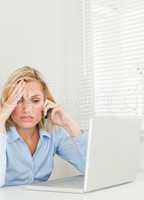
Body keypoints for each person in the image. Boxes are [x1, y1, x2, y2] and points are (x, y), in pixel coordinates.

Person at [0, 66, 87, 187]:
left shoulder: (53, 133)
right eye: (18, 100)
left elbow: (91, 168)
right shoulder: (3, 134)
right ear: (8, 103)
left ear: (45, 103)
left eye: (35, 100)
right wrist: (1, 117)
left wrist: (69, 125)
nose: (27, 109)